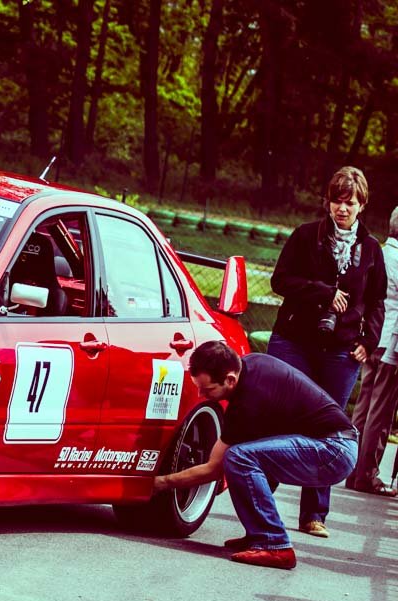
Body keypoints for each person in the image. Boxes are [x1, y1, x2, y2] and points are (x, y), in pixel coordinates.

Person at [154, 341, 358, 570]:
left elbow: (213, 469)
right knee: (246, 455)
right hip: (332, 443)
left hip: (333, 450)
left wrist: (160, 482)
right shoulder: (251, 365)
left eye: (208, 390)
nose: (201, 395)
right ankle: (258, 535)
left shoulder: (248, 401)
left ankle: (274, 544)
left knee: (238, 457)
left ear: (230, 379)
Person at [266, 166, 386, 537]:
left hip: (341, 350)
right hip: (295, 340)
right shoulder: (305, 236)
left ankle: (314, 513)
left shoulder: (371, 250)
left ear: (362, 205)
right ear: (328, 202)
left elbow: (378, 300)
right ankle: (261, 496)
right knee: (278, 414)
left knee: (328, 428)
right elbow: (279, 280)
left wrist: (368, 342)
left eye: (349, 202)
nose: (342, 209)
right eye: (336, 201)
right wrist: (322, 292)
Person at [347, 206, 398, 497]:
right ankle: (368, 473)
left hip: (374, 336)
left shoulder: (380, 252)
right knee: (381, 411)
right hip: (391, 340)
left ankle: (354, 468)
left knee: (364, 406)